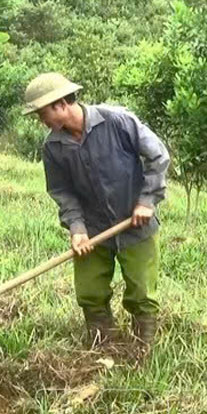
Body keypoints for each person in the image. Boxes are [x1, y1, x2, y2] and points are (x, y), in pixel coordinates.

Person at [23, 72, 170, 349]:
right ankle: (102, 348)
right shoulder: (53, 147)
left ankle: (142, 351)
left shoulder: (117, 121)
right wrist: (77, 229)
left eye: (42, 114)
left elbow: (157, 155)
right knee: (90, 292)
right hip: (93, 230)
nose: (41, 122)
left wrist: (147, 200)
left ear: (60, 105)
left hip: (135, 224)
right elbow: (62, 192)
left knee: (141, 292)